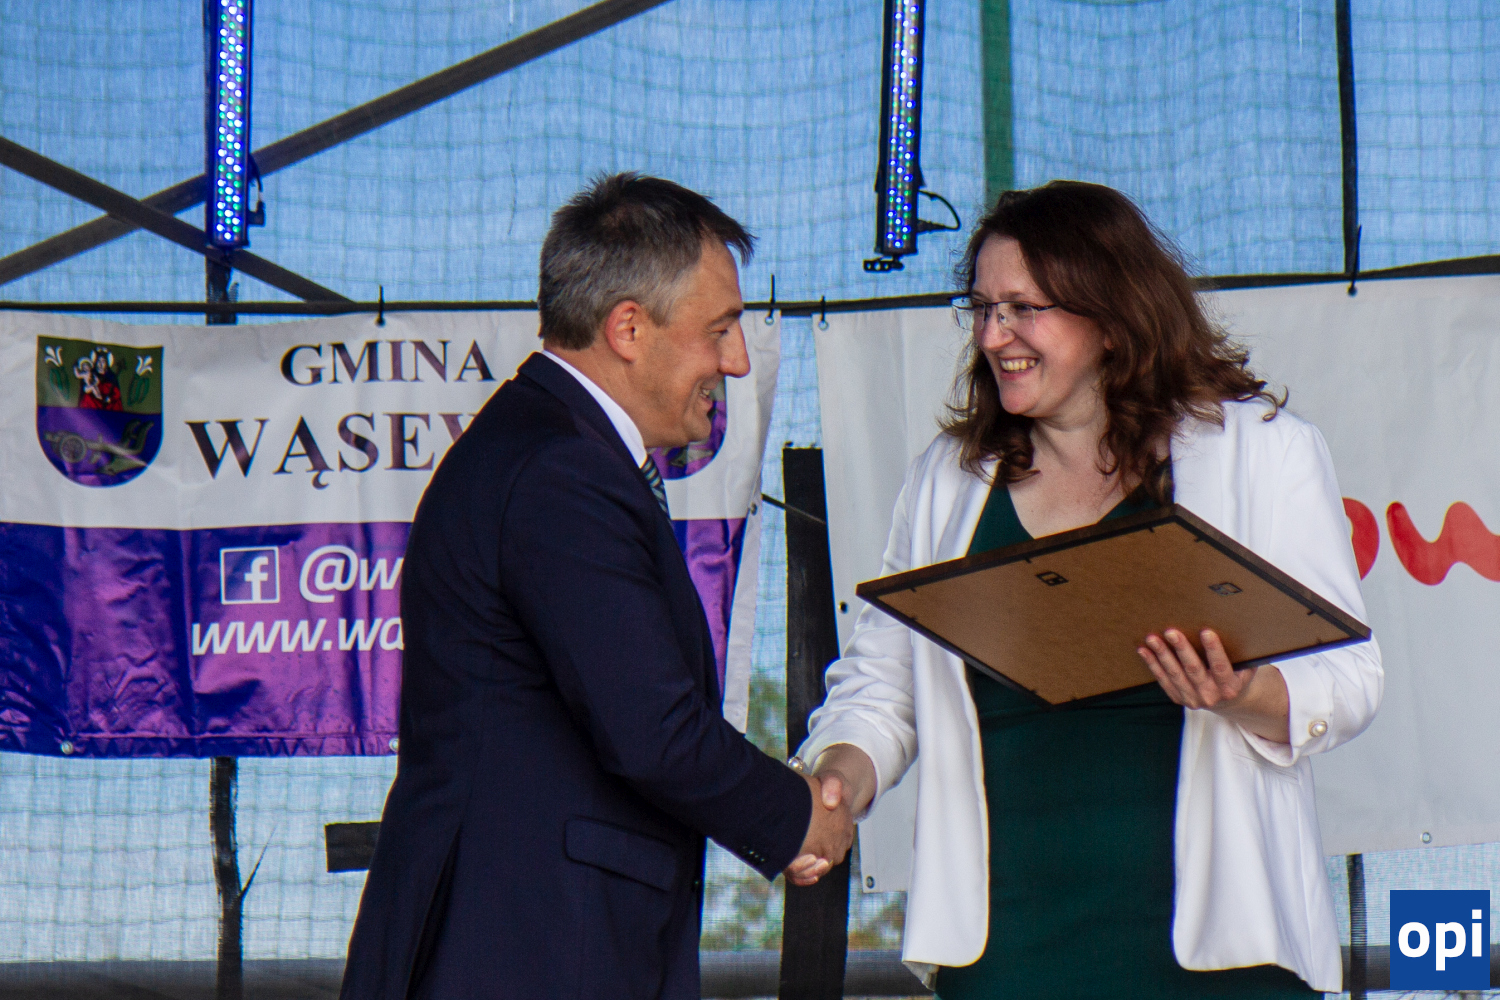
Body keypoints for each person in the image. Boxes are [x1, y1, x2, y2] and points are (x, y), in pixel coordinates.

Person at [796, 181, 1383, 998]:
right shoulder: (946, 480)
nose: (993, 334)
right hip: (1006, 951)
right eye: (982, 308)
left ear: (1110, 318)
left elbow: (1350, 676)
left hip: (1223, 954)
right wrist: (838, 778)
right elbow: (880, 686)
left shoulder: (1261, 451)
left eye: (1022, 308)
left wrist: (1244, 693)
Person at [340, 173, 853, 1000]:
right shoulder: (560, 468)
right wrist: (797, 816)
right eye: (720, 328)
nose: (736, 359)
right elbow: (652, 729)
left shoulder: (555, 450)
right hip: (521, 954)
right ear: (628, 329)